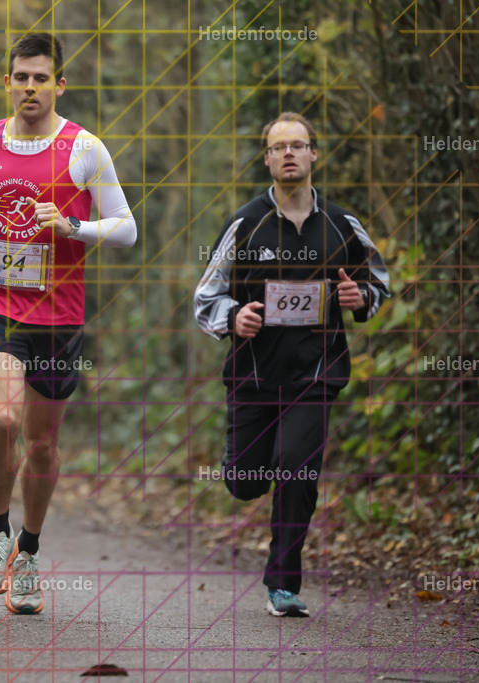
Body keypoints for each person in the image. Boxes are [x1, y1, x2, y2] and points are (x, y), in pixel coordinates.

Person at [0, 33, 137, 614]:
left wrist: (72, 228)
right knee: (4, 418)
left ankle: (28, 553)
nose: (29, 87)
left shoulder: (85, 148)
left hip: (58, 316)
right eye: (20, 77)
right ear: (7, 81)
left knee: (42, 443)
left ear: (59, 84)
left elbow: (126, 227)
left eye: (40, 78)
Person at [194, 112, 391, 617]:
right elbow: (206, 297)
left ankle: (282, 584)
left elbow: (379, 285)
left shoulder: (343, 226)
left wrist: (358, 295)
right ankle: (242, 470)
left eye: (298, 145)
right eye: (279, 146)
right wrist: (235, 317)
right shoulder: (244, 223)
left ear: (313, 154)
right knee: (246, 482)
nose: (289, 154)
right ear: (267, 159)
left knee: (298, 473)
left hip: (315, 375)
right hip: (254, 378)